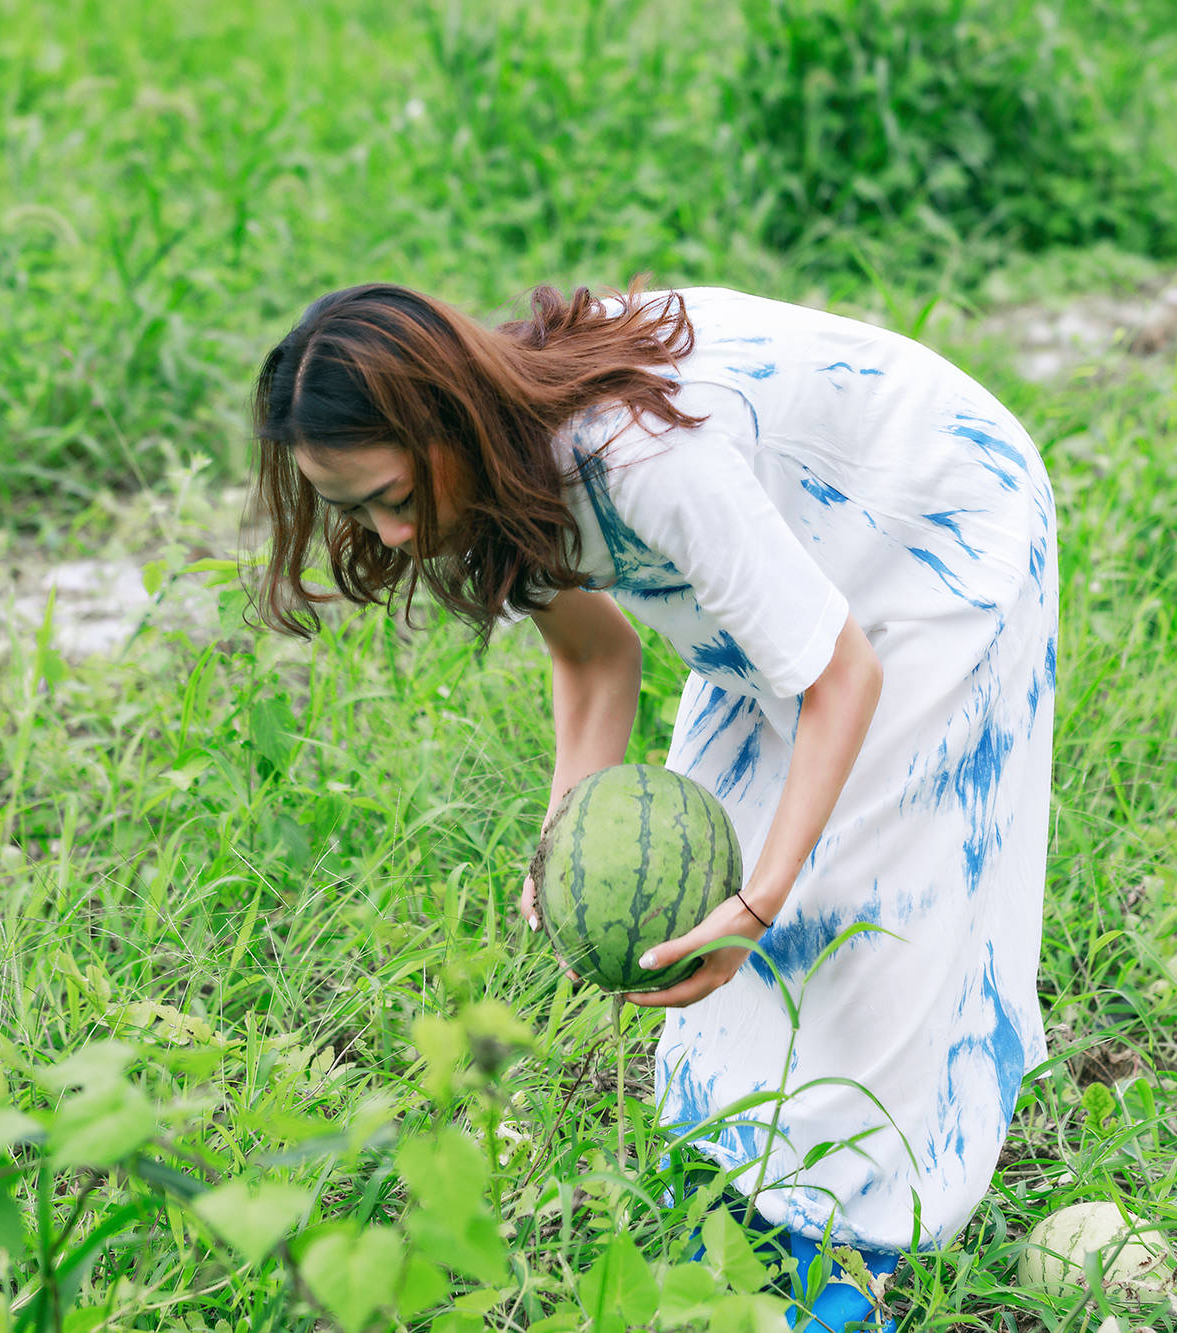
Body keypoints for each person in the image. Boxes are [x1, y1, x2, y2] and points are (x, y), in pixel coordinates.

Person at [250, 280, 1057, 1331]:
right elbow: (594, 656)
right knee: (705, 871)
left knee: (858, 895)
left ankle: (852, 1257)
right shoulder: (501, 468)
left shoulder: (631, 454)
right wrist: (561, 843)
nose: (392, 536)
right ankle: (742, 1188)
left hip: (932, 522)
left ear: (443, 415)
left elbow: (840, 678)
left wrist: (765, 901)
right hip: (790, 563)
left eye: (394, 496)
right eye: (356, 511)